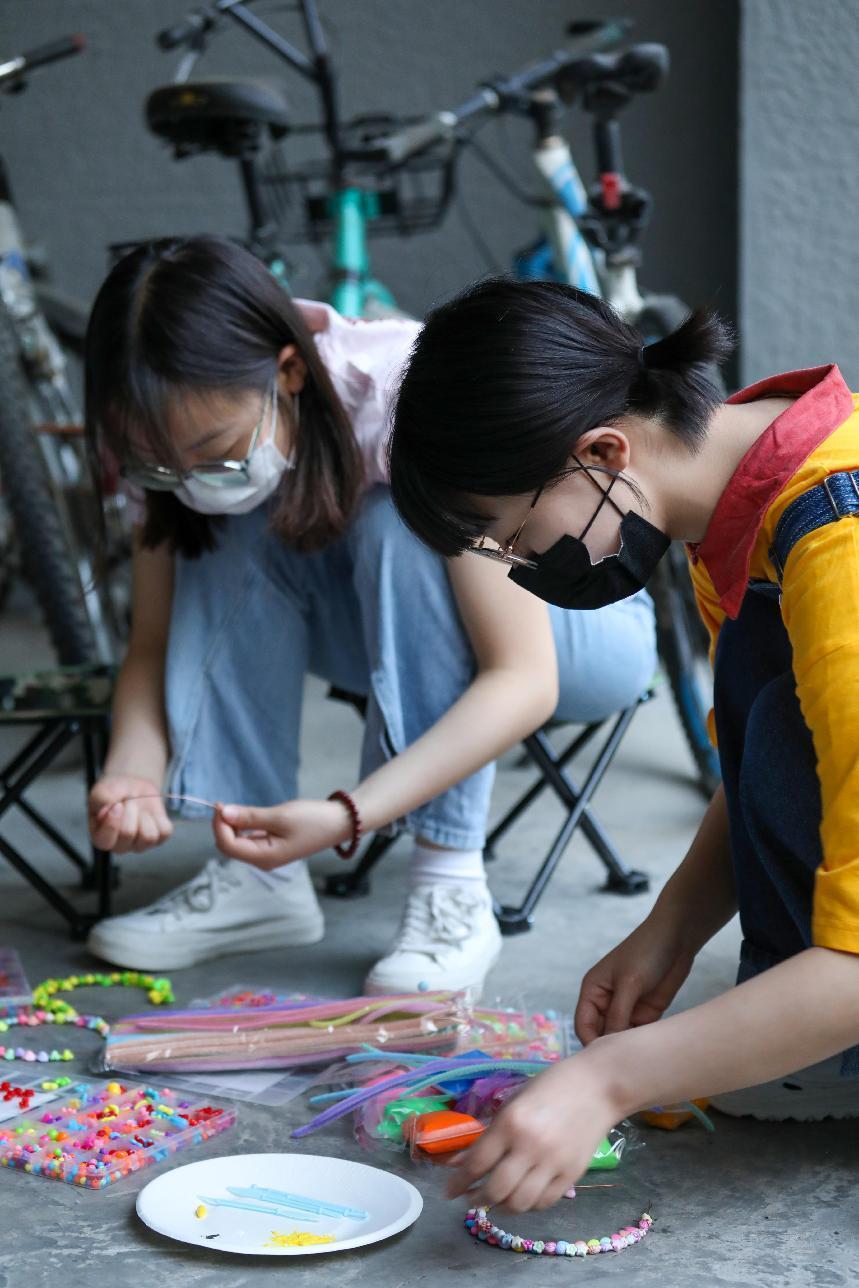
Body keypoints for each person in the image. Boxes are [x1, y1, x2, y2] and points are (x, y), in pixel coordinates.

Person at [386, 274, 859, 1211]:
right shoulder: (747, 493)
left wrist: (608, 1081)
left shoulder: (837, 547)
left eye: (518, 537)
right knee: (773, 708)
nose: (523, 570)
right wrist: (668, 929)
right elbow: (789, 758)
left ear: (602, 452)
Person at [83, 237, 656, 999]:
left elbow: (521, 679)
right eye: (160, 465)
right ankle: (255, 874)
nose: (190, 477)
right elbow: (153, 646)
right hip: (381, 631)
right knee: (213, 524)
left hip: (572, 628)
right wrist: (129, 773)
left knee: (400, 520)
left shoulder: (399, 392)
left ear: (288, 370)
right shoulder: (162, 450)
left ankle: (449, 882)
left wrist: (349, 813)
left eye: (214, 450)